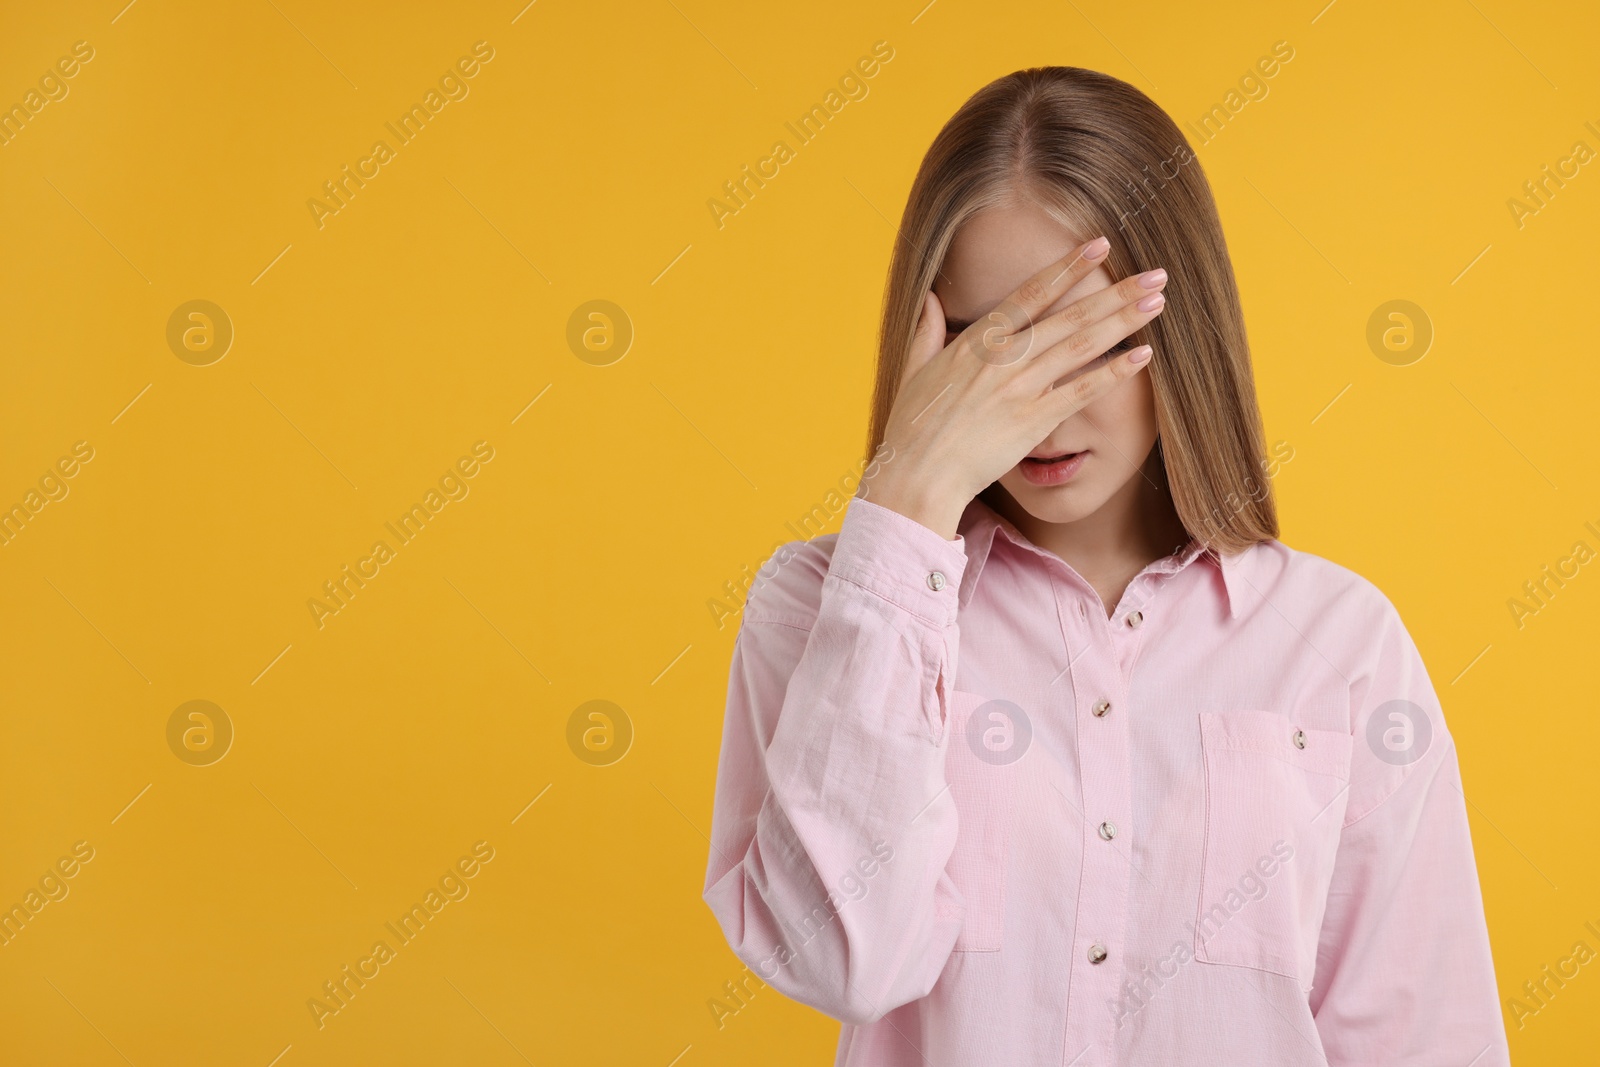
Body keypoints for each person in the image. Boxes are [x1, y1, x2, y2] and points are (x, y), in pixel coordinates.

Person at [701, 65, 1508, 1066]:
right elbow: (840, 958)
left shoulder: (1341, 641)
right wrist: (905, 500)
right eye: (987, 343)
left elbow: (1422, 1033)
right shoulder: (819, 606)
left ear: (1180, 325)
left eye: (1091, 336)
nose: (1040, 404)